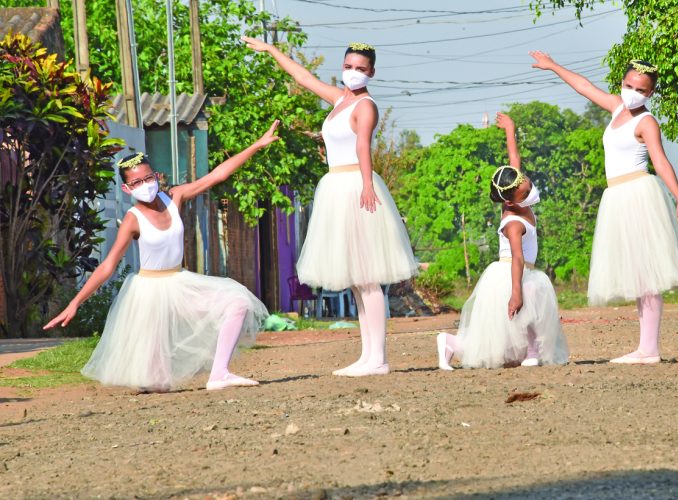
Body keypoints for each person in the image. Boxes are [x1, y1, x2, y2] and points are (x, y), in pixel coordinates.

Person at [44, 122, 282, 391]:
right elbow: (109, 265)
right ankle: (154, 378)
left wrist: (256, 145)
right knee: (156, 383)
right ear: (126, 189)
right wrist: (75, 303)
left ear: (156, 176)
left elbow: (216, 176)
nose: (144, 185)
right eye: (136, 182)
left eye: (148, 179)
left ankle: (219, 374)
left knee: (237, 303)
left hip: (180, 283)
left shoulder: (174, 197)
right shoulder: (132, 220)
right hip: (149, 293)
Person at [243, 38, 418, 377]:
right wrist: (272, 51)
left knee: (368, 278)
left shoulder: (365, 106)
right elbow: (304, 79)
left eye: (361, 69)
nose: (353, 73)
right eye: (349, 66)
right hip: (336, 185)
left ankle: (378, 358)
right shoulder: (339, 101)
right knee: (355, 279)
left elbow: (363, 147)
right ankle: (367, 355)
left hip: (354, 185)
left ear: (372, 73)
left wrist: (367, 185)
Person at [529, 51, 678, 364]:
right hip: (616, 196)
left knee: (647, 274)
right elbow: (584, 87)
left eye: (641, 90)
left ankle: (649, 349)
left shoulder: (647, 122)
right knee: (636, 273)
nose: (633, 93)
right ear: (622, 83)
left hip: (638, 194)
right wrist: (553, 66)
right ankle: (646, 347)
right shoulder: (617, 107)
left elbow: (660, 161)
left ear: (651, 93)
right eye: (629, 85)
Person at [437, 113, 568, 370]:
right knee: (528, 298)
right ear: (510, 201)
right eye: (526, 193)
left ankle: (451, 343)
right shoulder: (514, 222)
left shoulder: (516, 193)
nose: (531, 192)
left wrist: (510, 130)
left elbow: (514, 161)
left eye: (529, 186)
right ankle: (530, 352)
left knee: (501, 348)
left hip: (522, 271)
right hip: (510, 275)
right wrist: (515, 293)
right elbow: (517, 258)